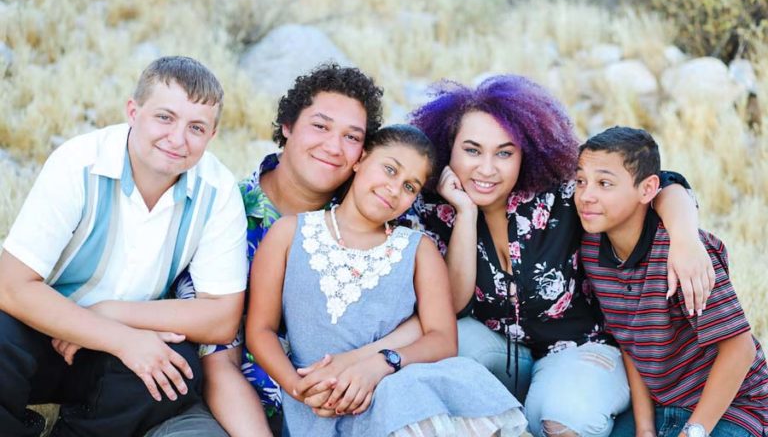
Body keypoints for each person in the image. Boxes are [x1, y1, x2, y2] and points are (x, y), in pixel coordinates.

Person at [406, 74, 716, 437]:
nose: (487, 169)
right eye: (472, 150)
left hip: (582, 349)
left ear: (526, 154)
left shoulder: (560, 195)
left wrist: (684, 239)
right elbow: (453, 305)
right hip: (501, 353)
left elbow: (662, 184)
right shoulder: (435, 210)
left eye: (504, 153)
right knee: (440, 351)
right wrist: (465, 214)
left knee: (563, 416)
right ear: (448, 149)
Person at [170, 63, 424, 436]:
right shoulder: (227, 213)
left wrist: (375, 361)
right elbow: (219, 363)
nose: (334, 147)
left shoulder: (378, 210)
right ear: (287, 126)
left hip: (356, 405)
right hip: (240, 412)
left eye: (352, 137)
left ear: (363, 154)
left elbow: (430, 319)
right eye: (320, 126)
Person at [0, 56, 247, 436]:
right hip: (41, 330)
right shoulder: (78, 163)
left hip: (111, 355)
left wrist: (110, 314)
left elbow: (221, 318)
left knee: (175, 373)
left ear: (211, 136)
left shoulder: (218, 191)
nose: (178, 139)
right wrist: (122, 338)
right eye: (165, 118)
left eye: (196, 127)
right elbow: (10, 286)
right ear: (134, 112)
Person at [247, 124, 528, 436]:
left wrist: (382, 363)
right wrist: (299, 387)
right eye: (390, 170)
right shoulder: (289, 233)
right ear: (361, 159)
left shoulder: (417, 249)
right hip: (316, 403)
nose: (395, 189)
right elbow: (261, 330)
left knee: (407, 394)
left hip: (395, 391)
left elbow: (442, 338)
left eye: (410, 187)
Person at [575, 126, 768, 437]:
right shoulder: (592, 251)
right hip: (662, 406)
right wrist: (645, 428)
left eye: (604, 183)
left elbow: (740, 350)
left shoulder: (683, 255)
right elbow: (630, 343)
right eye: (581, 181)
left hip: (731, 409)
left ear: (648, 189)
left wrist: (694, 431)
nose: (586, 195)